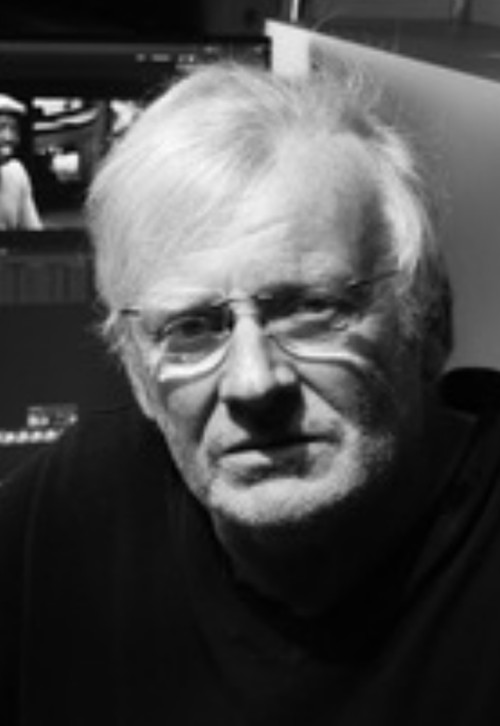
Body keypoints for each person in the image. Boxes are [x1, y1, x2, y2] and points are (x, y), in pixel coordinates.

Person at [1, 60, 499, 726]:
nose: (253, 382)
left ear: (430, 322)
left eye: (311, 308)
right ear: (138, 377)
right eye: (192, 328)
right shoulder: (75, 509)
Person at [0, 93, 43, 230]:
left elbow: (34, 232)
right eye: (1, 127)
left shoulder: (16, 174)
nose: (9, 137)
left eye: (14, 129)